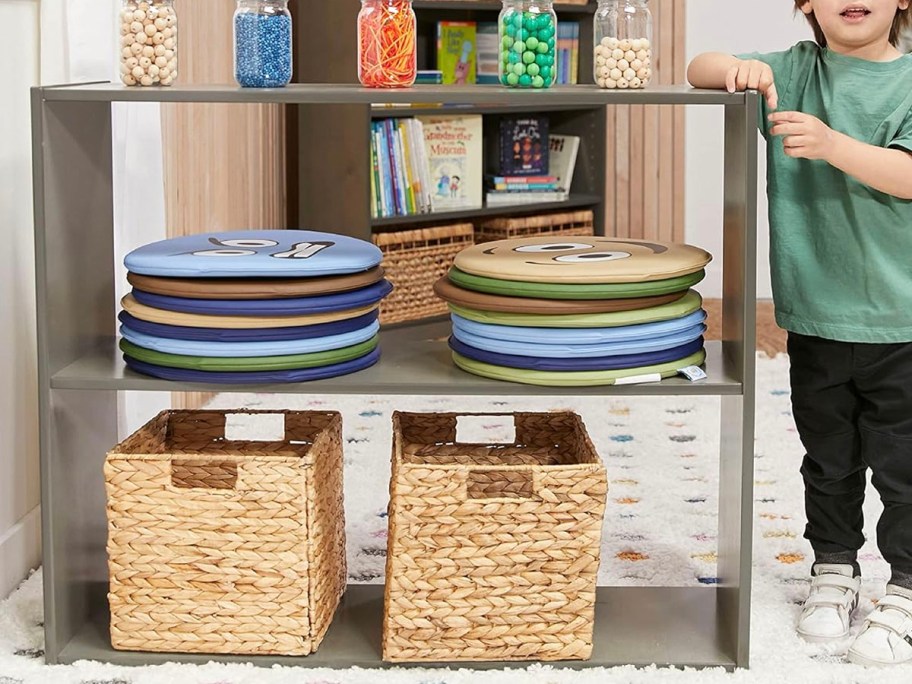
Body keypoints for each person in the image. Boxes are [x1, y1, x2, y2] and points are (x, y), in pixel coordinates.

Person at [688, 0, 912, 667]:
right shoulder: (795, 72)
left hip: (900, 321)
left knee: (903, 468)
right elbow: (699, 68)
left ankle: (904, 586)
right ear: (807, 2)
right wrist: (738, 70)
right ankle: (835, 569)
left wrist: (833, 144)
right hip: (815, 314)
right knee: (828, 459)